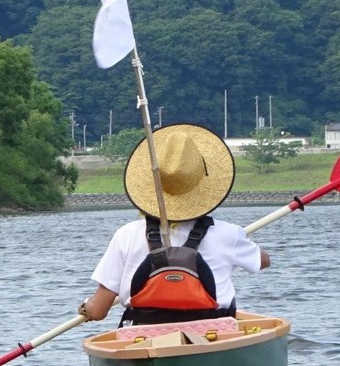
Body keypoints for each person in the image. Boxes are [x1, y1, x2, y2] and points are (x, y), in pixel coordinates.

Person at [83, 124, 269, 326]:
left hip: (144, 335)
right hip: (213, 334)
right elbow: (263, 261)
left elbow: (99, 310)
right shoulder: (228, 234)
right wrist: (237, 242)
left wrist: (86, 308)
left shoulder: (126, 235)